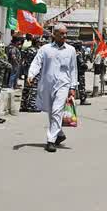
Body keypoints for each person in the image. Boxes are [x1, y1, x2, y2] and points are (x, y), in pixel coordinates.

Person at [27, 25, 78, 153]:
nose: (64, 36)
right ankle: (59, 134)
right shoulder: (45, 49)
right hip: (47, 85)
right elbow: (36, 62)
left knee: (56, 110)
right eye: (61, 34)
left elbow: (73, 69)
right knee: (51, 111)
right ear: (54, 34)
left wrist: (73, 86)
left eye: (66, 34)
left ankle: (51, 140)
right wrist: (31, 74)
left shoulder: (71, 50)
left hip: (63, 85)